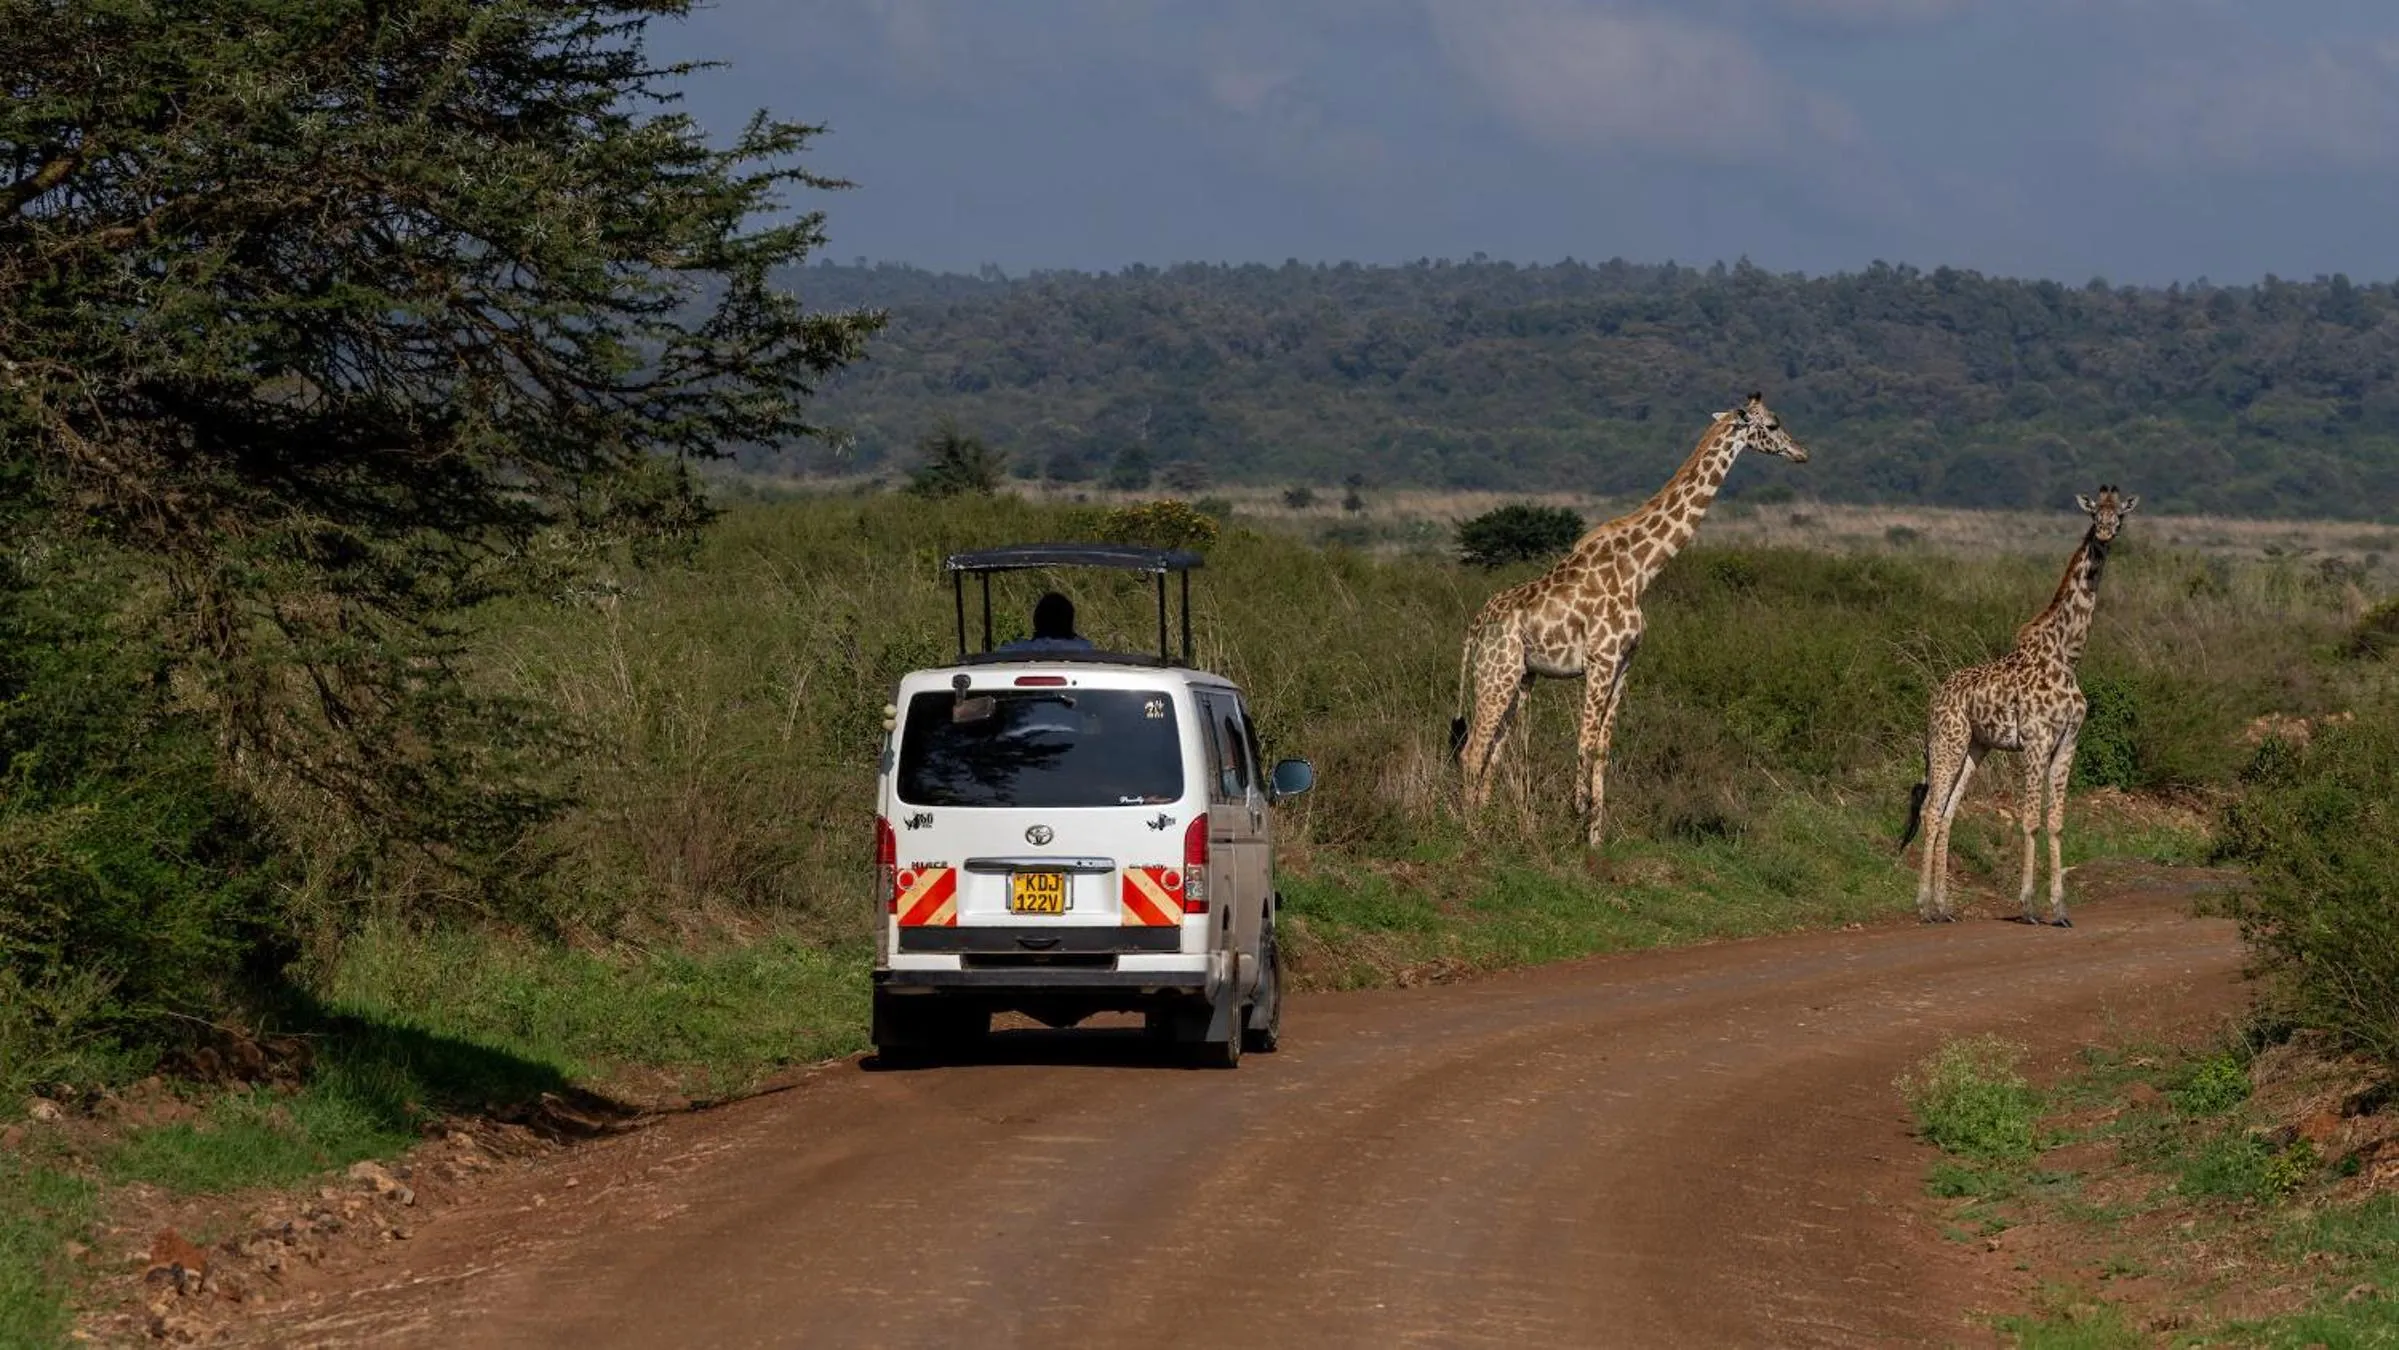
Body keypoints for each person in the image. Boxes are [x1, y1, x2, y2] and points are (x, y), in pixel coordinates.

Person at [997, 591, 1096, 653]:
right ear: (1070, 622)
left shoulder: (1012, 652)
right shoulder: (1085, 650)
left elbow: (1001, 652)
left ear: (1036, 621)